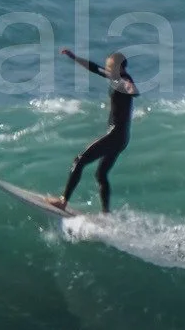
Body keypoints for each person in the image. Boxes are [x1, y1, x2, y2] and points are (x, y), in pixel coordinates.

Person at [58, 48, 138, 213]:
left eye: (110, 66)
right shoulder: (115, 77)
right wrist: (73, 57)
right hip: (121, 138)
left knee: (79, 161)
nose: (107, 69)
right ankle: (106, 213)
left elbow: (132, 90)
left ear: (120, 67)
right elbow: (94, 67)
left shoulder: (124, 80)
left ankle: (63, 201)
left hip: (115, 136)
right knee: (101, 174)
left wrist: (130, 88)